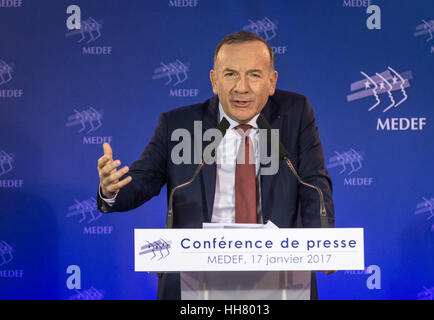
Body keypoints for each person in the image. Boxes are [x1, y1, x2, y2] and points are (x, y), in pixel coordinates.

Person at [96, 31, 335, 299]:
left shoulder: (296, 113)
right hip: (196, 280)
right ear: (214, 80)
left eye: (254, 75)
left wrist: (321, 242)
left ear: (271, 82)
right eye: (230, 74)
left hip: (279, 277)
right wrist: (112, 189)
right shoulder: (179, 125)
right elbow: (141, 181)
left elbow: (314, 182)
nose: (241, 87)